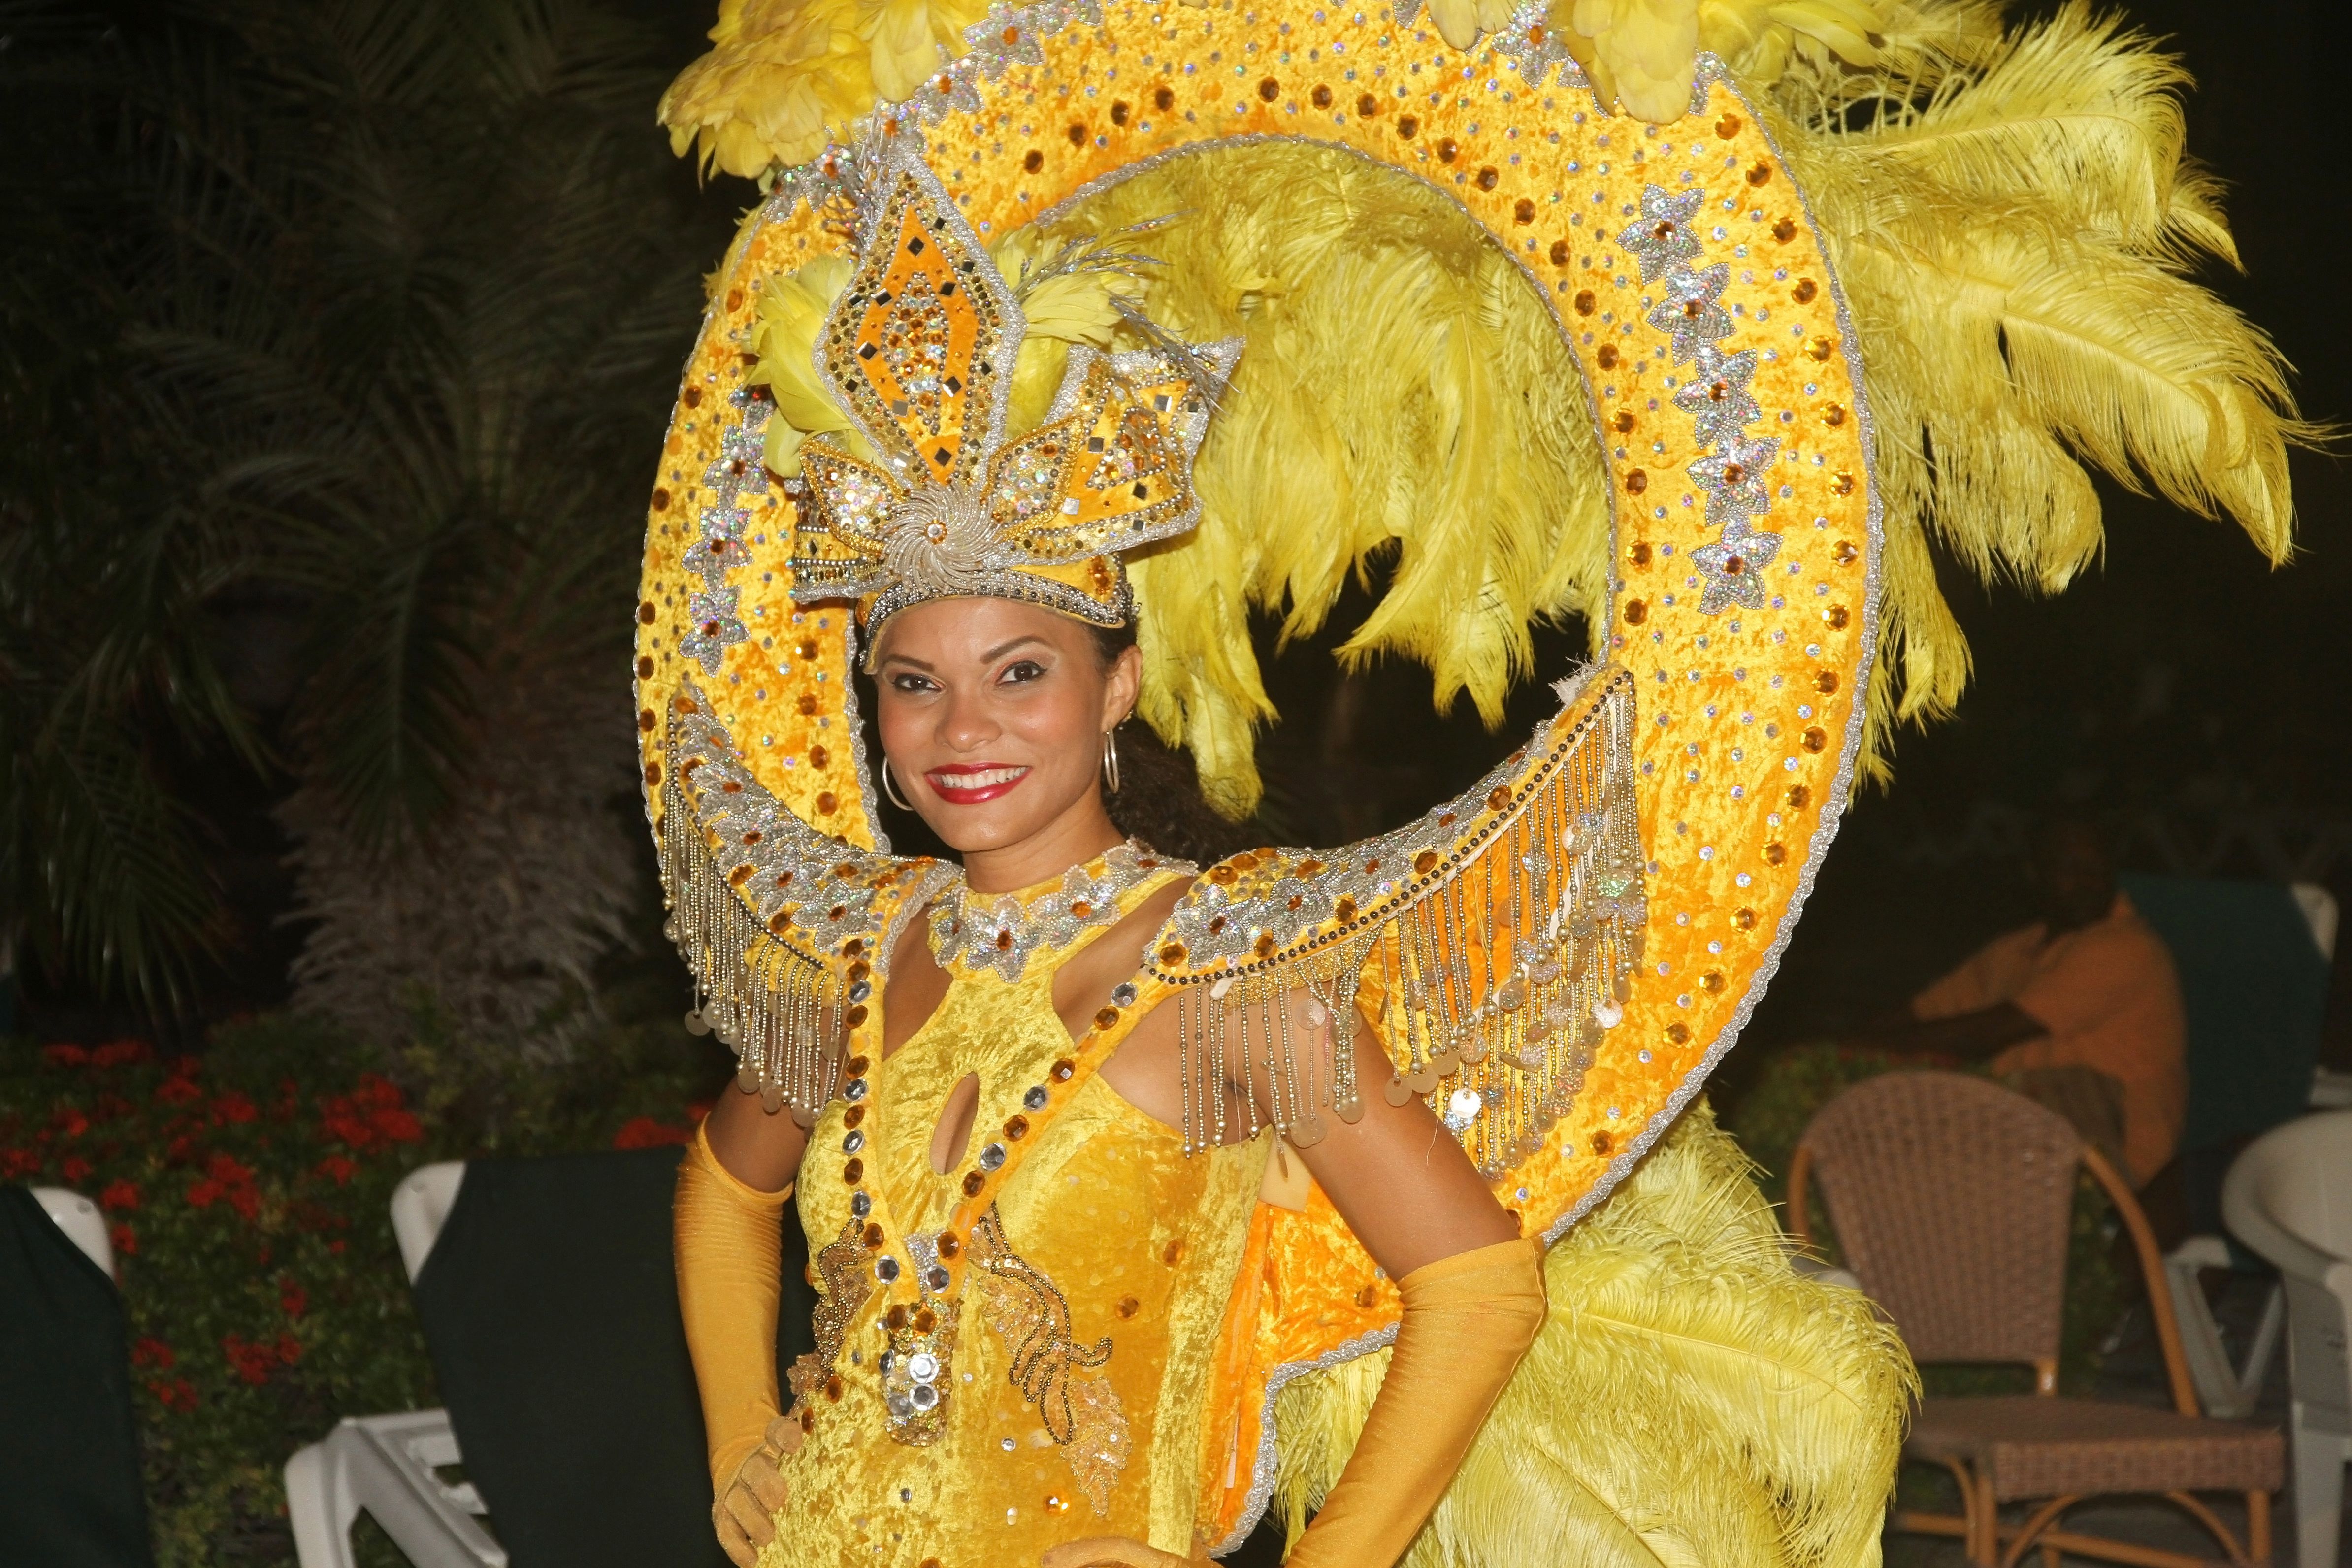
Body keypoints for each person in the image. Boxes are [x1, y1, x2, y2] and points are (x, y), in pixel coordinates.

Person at [637, 0, 2303, 1562]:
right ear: (870, 702)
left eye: (1019, 674)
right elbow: (727, 1195)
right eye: (914, 683)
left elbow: (1477, 1284)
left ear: (1114, 686)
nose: (963, 730)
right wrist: (736, 1447)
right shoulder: (851, 951)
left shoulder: (1232, 972)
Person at [1868, 817, 2188, 1187]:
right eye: (2071, 868)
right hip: (2026, 1149)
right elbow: (1917, 1016)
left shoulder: (2128, 948)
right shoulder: (2016, 950)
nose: (2088, 881)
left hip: (2110, 1177)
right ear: (2035, 873)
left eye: (2097, 868)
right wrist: (1841, 1050)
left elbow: (1983, 1036)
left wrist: (1844, 1051)